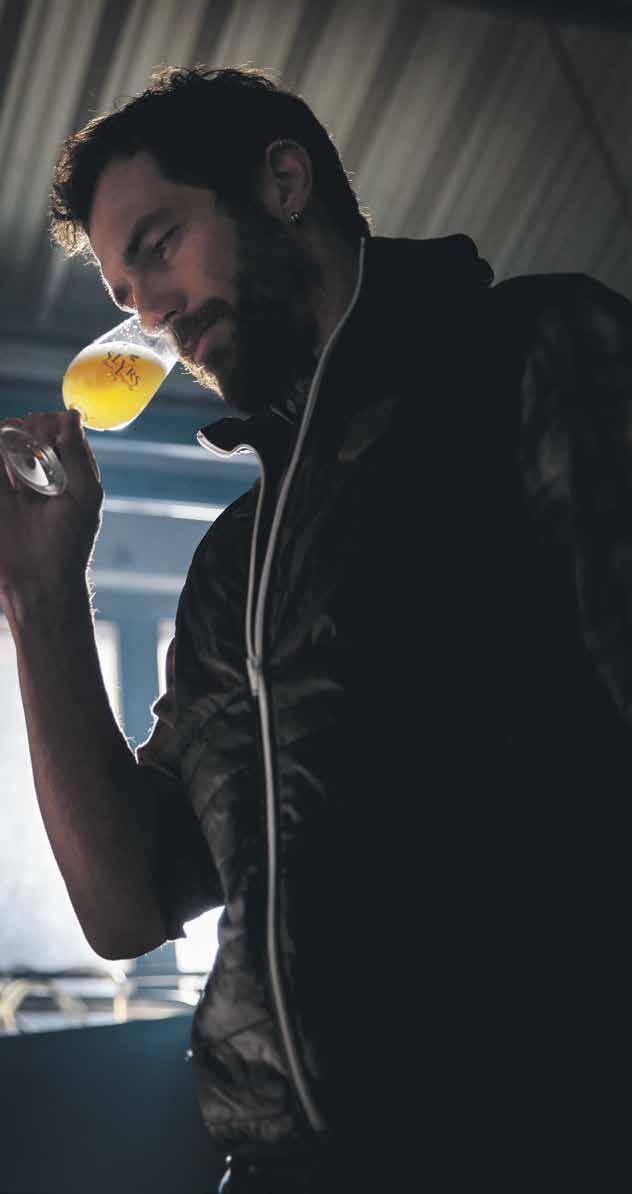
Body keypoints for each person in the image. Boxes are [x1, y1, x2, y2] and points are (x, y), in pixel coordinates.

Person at [0, 65, 627, 1192]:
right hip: (278, 1167)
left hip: (536, 1140)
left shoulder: (529, 355)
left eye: (160, 244)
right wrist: (40, 597)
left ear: (284, 183)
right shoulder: (230, 568)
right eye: (124, 290)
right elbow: (129, 904)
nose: (150, 311)